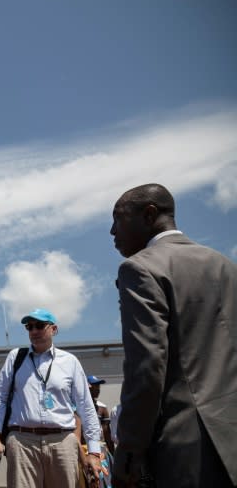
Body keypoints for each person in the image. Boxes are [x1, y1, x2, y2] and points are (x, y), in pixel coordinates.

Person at [110, 183, 237, 487]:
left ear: (149, 214)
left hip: (186, 448)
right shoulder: (225, 266)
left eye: (118, 218)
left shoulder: (141, 269)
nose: (112, 231)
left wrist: (128, 451)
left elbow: (147, 367)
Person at [0, 308, 102, 488]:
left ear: (54, 329)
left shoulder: (70, 362)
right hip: (22, 441)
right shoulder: (15, 358)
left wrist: (93, 452)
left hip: (62, 442)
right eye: (29, 327)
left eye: (39, 326)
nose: (34, 331)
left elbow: (85, 407)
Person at [86, 375, 113, 455]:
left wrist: (112, 453)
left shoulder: (102, 408)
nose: (97, 389)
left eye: (98, 386)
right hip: (82, 447)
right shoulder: (76, 408)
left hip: (99, 448)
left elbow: (107, 433)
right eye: (94, 387)